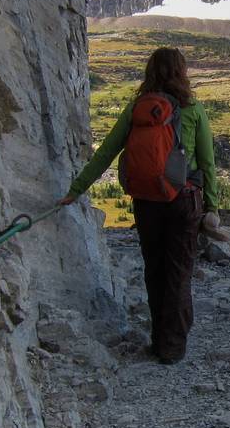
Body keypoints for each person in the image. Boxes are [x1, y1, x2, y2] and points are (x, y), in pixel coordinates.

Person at [60, 47, 221, 364]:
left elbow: (105, 152)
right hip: (183, 200)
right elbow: (208, 163)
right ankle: (172, 347)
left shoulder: (138, 108)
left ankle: (159, 339)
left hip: (147, 202)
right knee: (179, 272)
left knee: (155, 270)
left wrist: (76, 190)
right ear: (181, 72)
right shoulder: (192, 109)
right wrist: (213, 207)